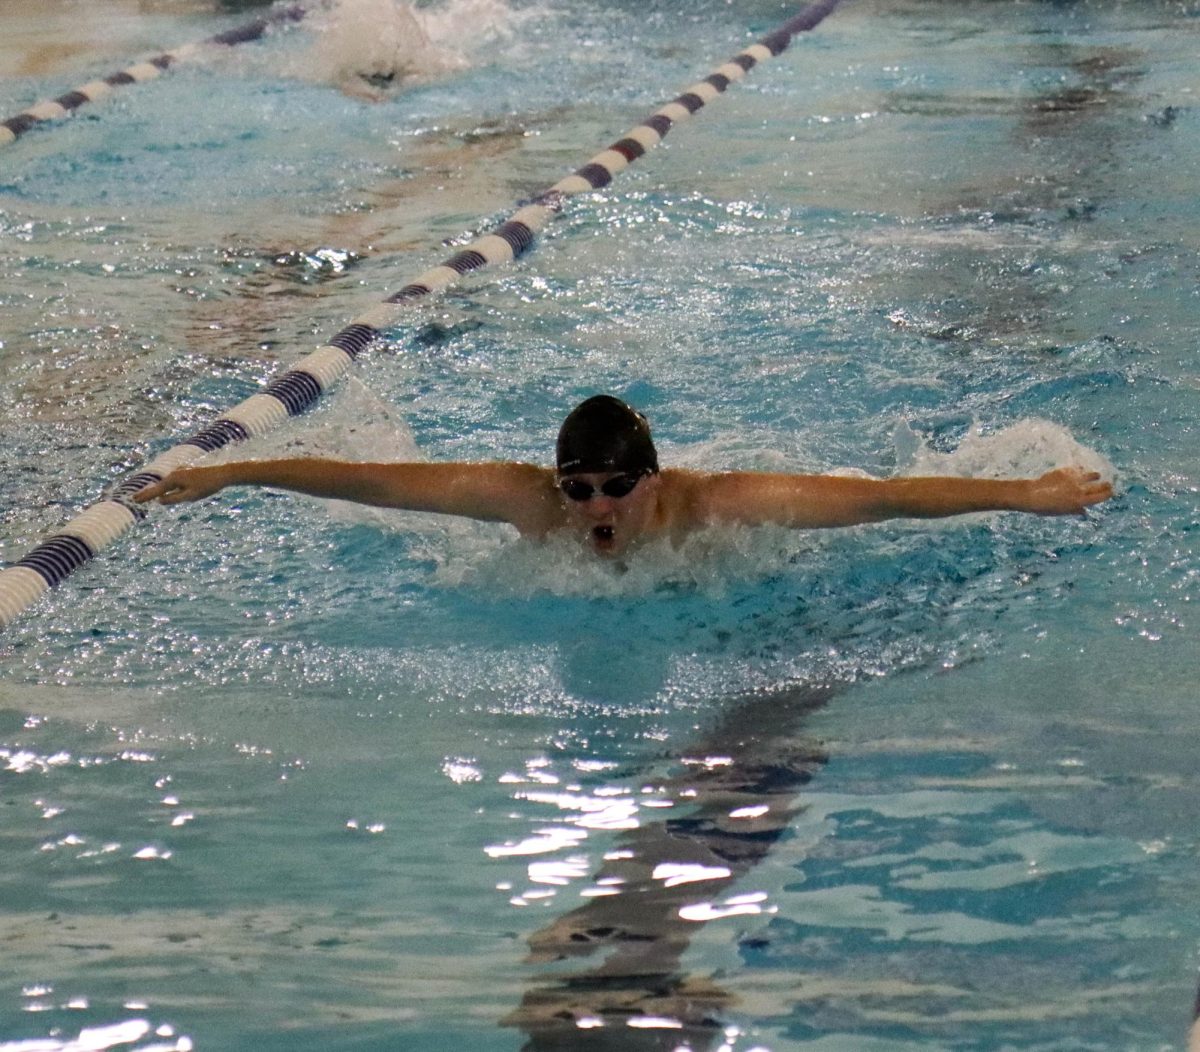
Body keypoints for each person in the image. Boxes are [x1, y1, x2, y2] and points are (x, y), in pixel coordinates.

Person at [134, 394, 1113, 557]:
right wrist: (239, 472)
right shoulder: (529, 502)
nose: (594, 506)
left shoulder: (715, 507)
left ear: (653, 479)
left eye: (612, 485)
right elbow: (379, 483)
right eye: (578, 487)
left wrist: (1027, 492)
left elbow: (883, 498)